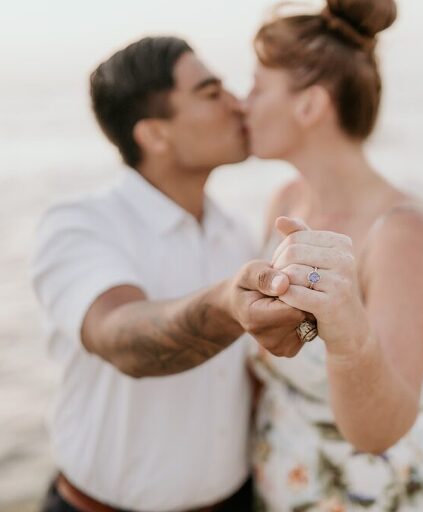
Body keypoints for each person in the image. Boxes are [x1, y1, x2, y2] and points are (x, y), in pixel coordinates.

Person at [31, 36, 308, 512]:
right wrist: (228, 305)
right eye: (210, 93)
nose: (238, 103)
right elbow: (120, 336)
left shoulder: (239, 231)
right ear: (155, 134)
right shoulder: (80, 224)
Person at [242, 0, 423, 509]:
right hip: (284, 484)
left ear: (309, 106)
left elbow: (380, 429)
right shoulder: (286, 202)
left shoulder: (403, 235)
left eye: (258, 87)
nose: (244, 104)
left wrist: (348, 335)